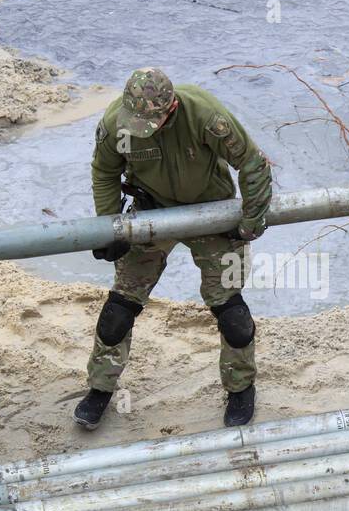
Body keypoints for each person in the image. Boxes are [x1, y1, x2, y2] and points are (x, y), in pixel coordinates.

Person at [74, 68, 273, 430]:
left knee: (232, 314)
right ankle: (100, 388)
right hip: (152, 213)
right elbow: (104, 171)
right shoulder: (116, 123)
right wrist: (111, 228)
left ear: (172, 108)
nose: (141, 128)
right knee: (119, 309)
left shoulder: (207, 115)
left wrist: (250, 222)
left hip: (212, 212)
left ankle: (241, 387)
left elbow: (253, 164)